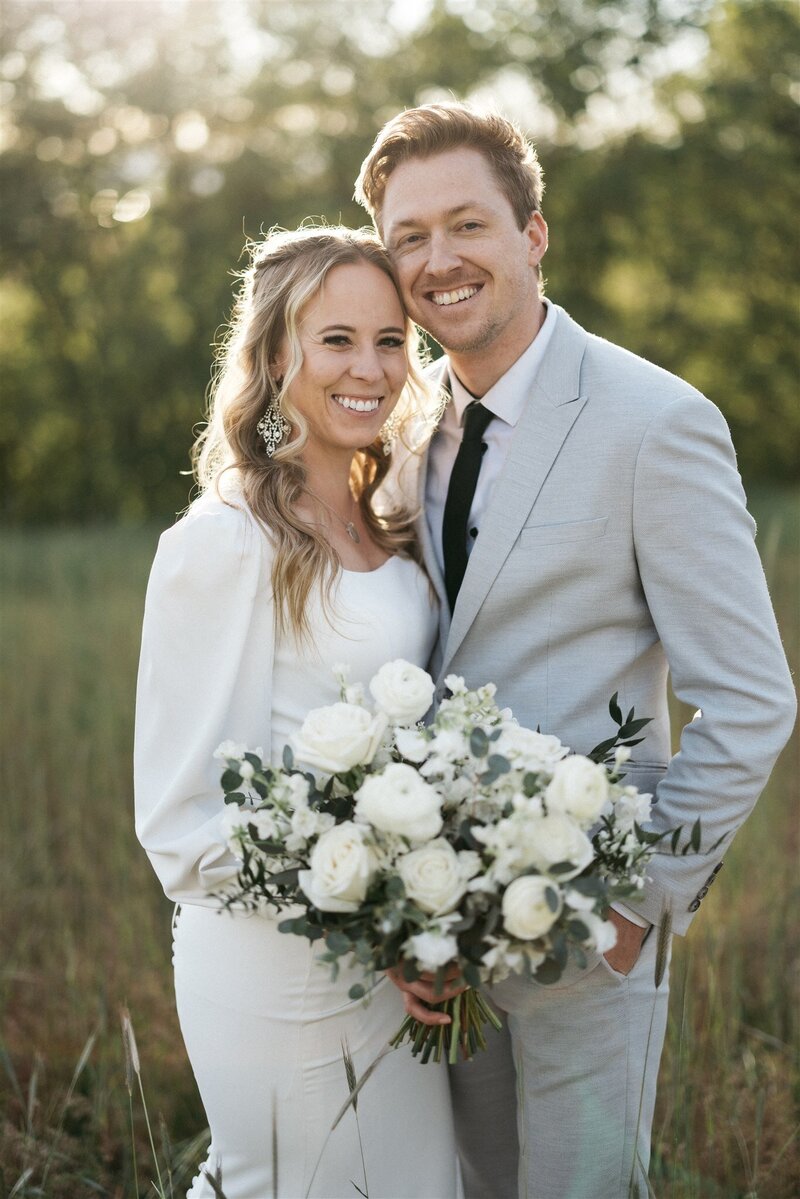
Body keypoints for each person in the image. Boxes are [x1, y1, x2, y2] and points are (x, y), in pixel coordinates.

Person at [355, 103, 797, 1199]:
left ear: (532, 233)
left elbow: (747, 699)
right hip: (438, 930)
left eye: (466, 224)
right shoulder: (409, 431)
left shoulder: (655, 421)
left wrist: (634, 905)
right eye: (407, 236)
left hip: (586, 937)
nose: (437, 259)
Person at [133, 225, 460, 1199]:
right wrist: (373, 918)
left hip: (396, 958)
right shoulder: (224, 541)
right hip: (278, 964)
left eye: (391, 339)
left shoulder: (393, 517)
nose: (370, 367)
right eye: (335, 340)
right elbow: (183, 825)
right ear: (276, 356)